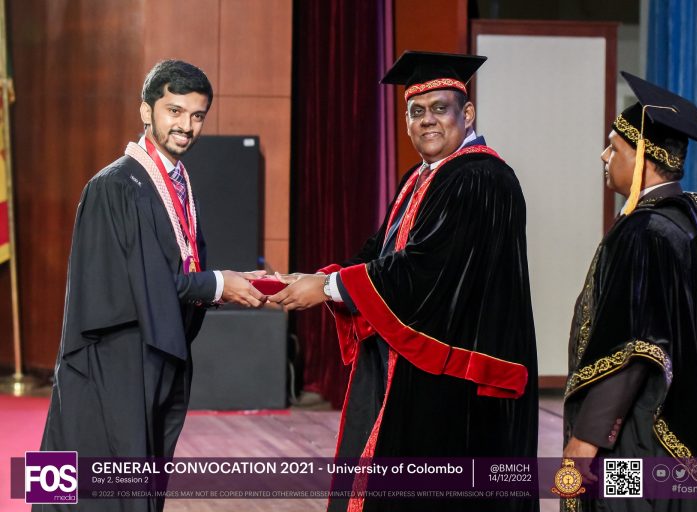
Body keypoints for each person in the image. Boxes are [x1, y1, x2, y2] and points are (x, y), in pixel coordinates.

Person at [269, 51, 539, 512]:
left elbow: (424, 269)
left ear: (467, 113)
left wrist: (329, 289)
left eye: (439, 108)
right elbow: (381, 251)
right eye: (416, 111)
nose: (426, 120)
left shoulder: (481, 178)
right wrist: (320, 277)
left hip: (454, 380)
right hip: (412, 365)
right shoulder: (420, 176)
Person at [36, 60, 265, 511]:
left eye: (197, 115)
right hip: (111, 363)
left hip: (153, 355)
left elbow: (174, 267)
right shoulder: (117, 185)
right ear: (146, 111)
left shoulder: (175, 183)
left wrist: (225, 282)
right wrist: (218, 284)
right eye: (174, 111)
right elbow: (143, 281)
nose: (186, 126)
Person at [562, 72, 697, 511]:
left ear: (644, 157)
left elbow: (632, 347)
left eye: (614, 147)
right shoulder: (687, 221)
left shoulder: (646, 232)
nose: (604, 156)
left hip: (641, 433)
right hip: (683, 429)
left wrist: (587, 437)